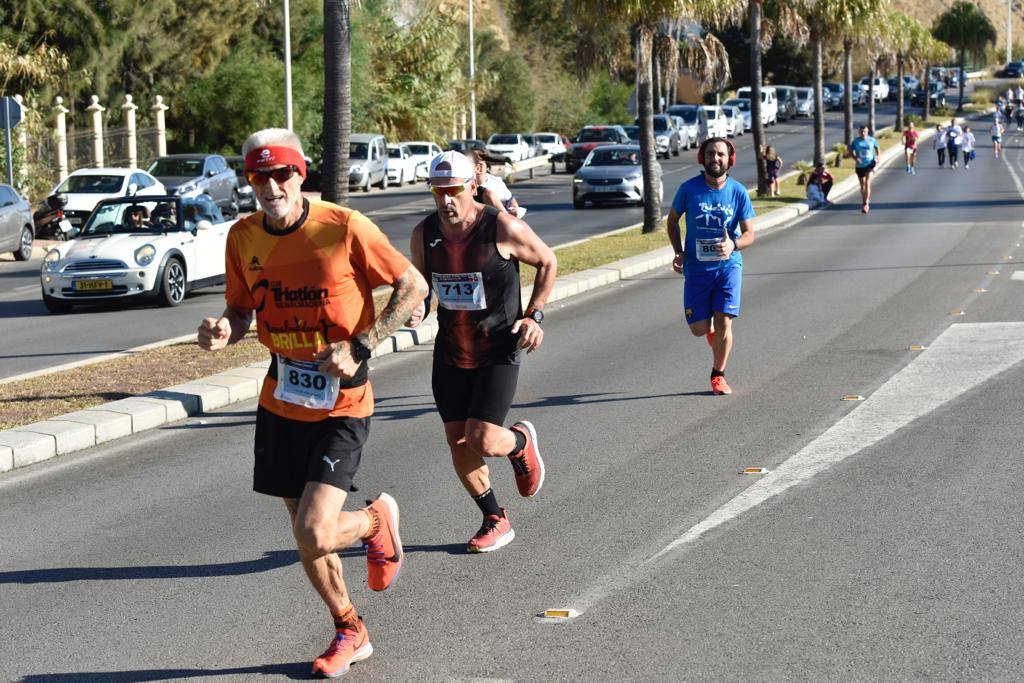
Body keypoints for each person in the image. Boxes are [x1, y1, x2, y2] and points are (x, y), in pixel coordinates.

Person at [197, 128, 429, 678]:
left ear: (301, 174)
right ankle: (349, 626)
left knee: (315, 530)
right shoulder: (243, 236)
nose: (272, 185)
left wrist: (363, 344)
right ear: (249, 180)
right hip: (281, 399)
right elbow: (239, 309)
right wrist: (223, 330)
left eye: (282, 173)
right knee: (302, 529)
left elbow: (414, 285)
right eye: (260, 175)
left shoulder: (344, 226)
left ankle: (375, 522)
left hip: (343, 400)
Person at [406, 151, 557, 554]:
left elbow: (547, 261)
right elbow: (421, 283)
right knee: (458, 441)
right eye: (438, 192)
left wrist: (534, 316)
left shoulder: (501, 227)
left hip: (498, 346)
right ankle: (494, 517)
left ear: (473, 185)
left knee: (484, 438)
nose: (445, 200)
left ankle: (519, 444)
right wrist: (417, 305)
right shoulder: (424, 234)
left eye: (453, 190)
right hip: (452, 349)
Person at [667, 137, 756, 396]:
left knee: (725, 320)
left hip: (729, 267)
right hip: (696, 269)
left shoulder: (738, 192)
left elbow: (750, 233)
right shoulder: (688, 189)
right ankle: (712, 334)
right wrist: (679, 252)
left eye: (720, 154)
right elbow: (672, 222)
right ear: (702, 158)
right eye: (710, 154)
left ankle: (718, 375)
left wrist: (734, 245)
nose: (715, 159)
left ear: (730, 160)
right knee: (699, 330)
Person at [465, 149, 525, 218]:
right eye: (475, 165)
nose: (479, 168)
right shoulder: (467, 185)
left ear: (487, 166)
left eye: (481, 165)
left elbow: (511, 202)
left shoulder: (496, 182)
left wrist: (515, 210)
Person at [847, 125, 880, 214]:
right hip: (860, 166)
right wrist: (855, 158)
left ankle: (866, 204)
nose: (863, 133)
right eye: (861, 131)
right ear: (859, 132)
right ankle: (864, 200)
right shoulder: (856, 141)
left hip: (870, 164)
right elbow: (849, 151)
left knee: (867, 183)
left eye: (864, 131)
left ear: (867, 131)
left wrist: (878, 156)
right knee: (862, 186)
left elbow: (877, 147)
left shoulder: (872, 140)